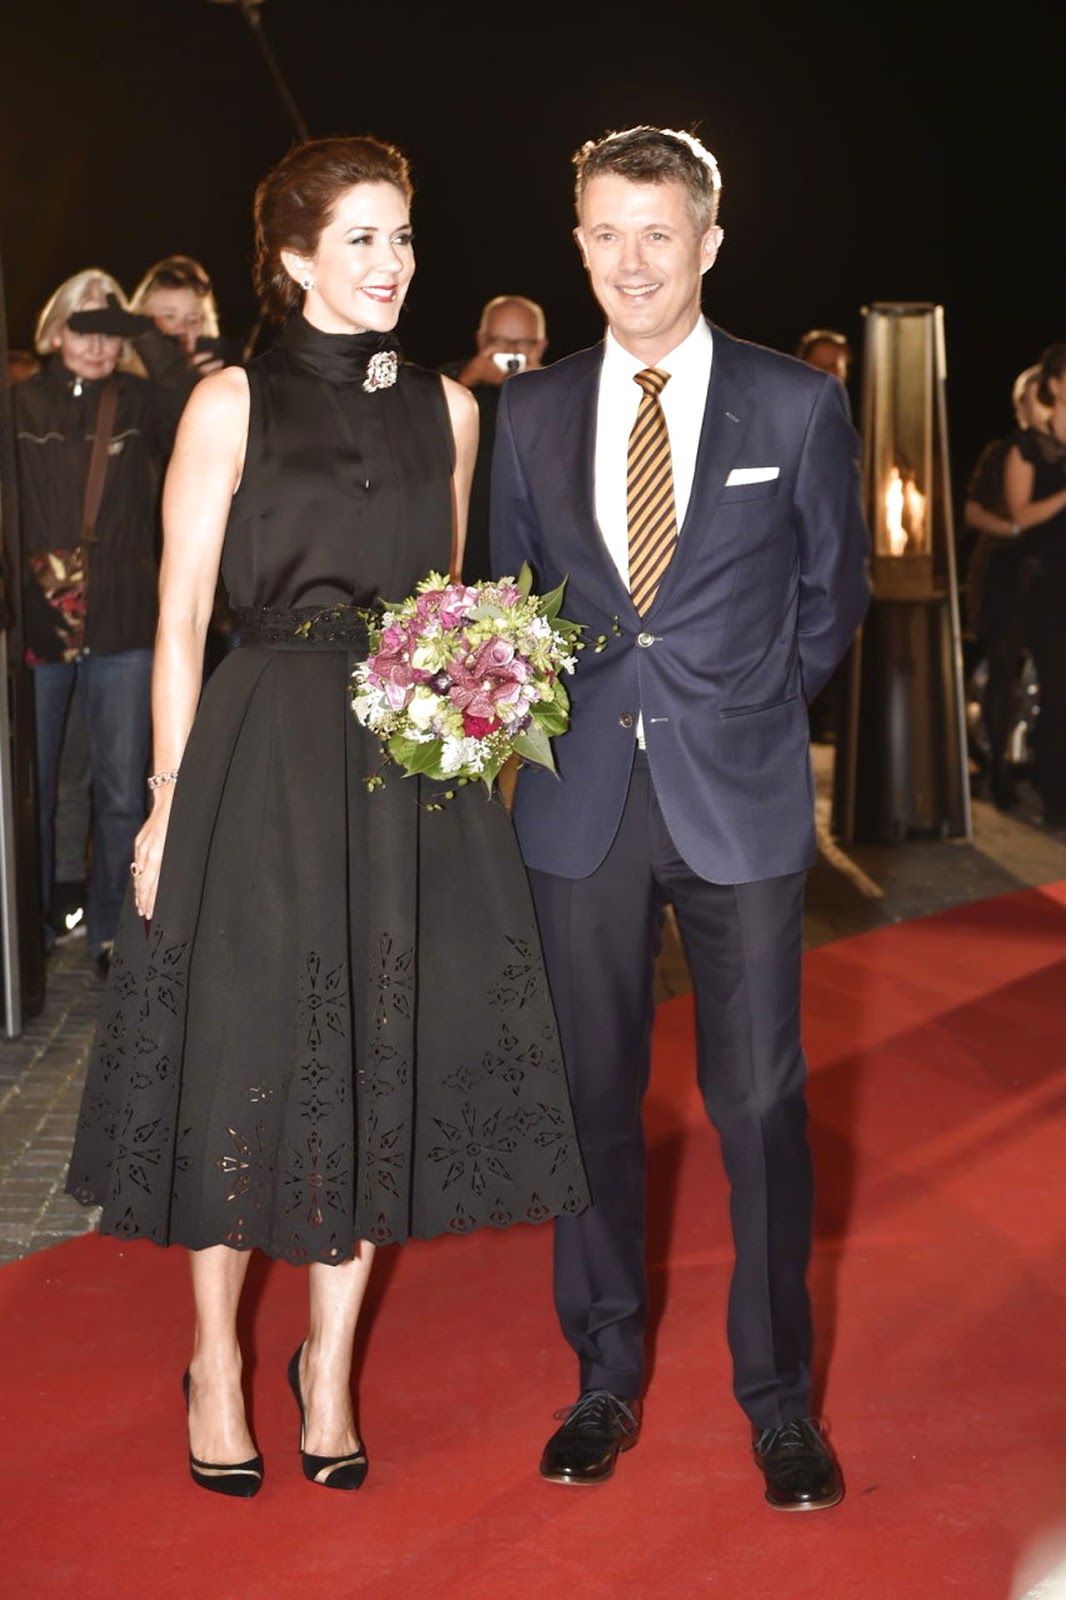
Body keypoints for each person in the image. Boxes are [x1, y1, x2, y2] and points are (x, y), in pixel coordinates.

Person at [65, 134, 588, 1499]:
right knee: (242, 1055)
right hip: (259, 759)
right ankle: (215, 1363)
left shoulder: (451, 411)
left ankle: (330, 1368)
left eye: (401, 236)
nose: (391, 262)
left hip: (402, 770)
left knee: (376, 1054)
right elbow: (181, 615)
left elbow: (445, 604)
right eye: (360, 238)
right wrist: (165, 804)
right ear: (294, 257)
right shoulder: (228, 402)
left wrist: (482, 718)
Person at [491, 126, 871, 1509]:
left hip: (738, 801)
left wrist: (750, 707)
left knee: (759, 1104)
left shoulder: (794, 405)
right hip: (578, 809)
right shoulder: (529, 413)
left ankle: (778, 1401)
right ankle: (601, 1377)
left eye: (658, 231)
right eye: (606, 232)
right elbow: (510, 604)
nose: (632, 260)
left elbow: (833, 593)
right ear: (578, 243)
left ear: (708, 240)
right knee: (588, 1098)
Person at [14, 269, 196, 978]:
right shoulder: (19, 403)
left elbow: (194, 402)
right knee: (33, 790)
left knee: (123, 790)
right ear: (54, 330)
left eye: (108, 329)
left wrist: (141, 330)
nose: (96, 344)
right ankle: (27, 930)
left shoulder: (140, 402)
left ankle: (113, 934)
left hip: (122, 620)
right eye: (82, 326)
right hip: (38, 624)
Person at [962, 364, 1049, 809]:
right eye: (1036, 399)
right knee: (1001, 668)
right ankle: (997, 769)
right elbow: (973, 511)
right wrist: (1013, 528)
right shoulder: (1003, 452)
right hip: (1004, 569)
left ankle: (1037, 764)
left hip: (1046, 571)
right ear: (1020, 405)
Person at [440, 295, 548, 580]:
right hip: (467, 545)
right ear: (481, 340)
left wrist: (544, 390)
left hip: (531, 550)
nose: (511, 351)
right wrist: (466, 380)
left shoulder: (560, 391)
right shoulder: (450, 384)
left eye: (523, 343)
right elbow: (421, 432)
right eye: (499, 341)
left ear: (540, 346)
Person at [1004, 343, 1066, 828]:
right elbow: (1020, 516)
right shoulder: (1026, 447)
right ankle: (1055, 799)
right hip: (1048, 582)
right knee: (1057, 689)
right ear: (1054, 384)